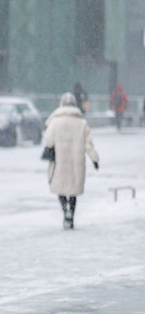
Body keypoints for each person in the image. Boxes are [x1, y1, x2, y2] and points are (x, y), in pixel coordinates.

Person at [43, 92, 99, 230]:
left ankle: (65, 212)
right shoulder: (81, 123)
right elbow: (88, 144)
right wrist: (95, 159)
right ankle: (71, 216)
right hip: (76, 161)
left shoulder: (55, 122)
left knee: (61, 188)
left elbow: (48, 141)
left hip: (59, 161)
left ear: (61, 105)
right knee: (73, 190)